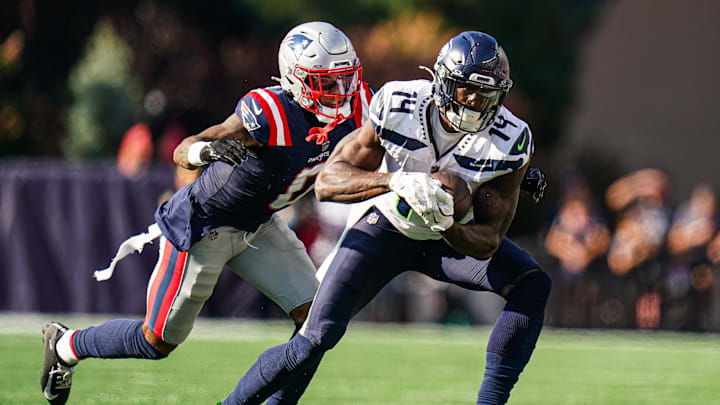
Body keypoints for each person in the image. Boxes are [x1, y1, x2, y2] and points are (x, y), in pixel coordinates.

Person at [40, 21, 372, 405]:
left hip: (258, 226)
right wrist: (205, 152)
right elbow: (186, 147)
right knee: (157, 341)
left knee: (318, 324)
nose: (341, 92)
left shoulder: (361, 103)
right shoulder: (269, 111)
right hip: (204, 226)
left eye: (346, 79)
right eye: (327, 83)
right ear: (296, 81)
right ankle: (66, 345)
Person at [221, 31, 551, 405]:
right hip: (386, 227)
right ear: (442, 82)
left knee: (532, 284)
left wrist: (447, 224)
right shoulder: (400, 103)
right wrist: (395, 181)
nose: (476, 102)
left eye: (487, 94)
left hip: (447, 241)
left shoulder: (511, 138)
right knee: (315, 337)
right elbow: (328, 182)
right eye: (466, 90)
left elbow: (489, 239)